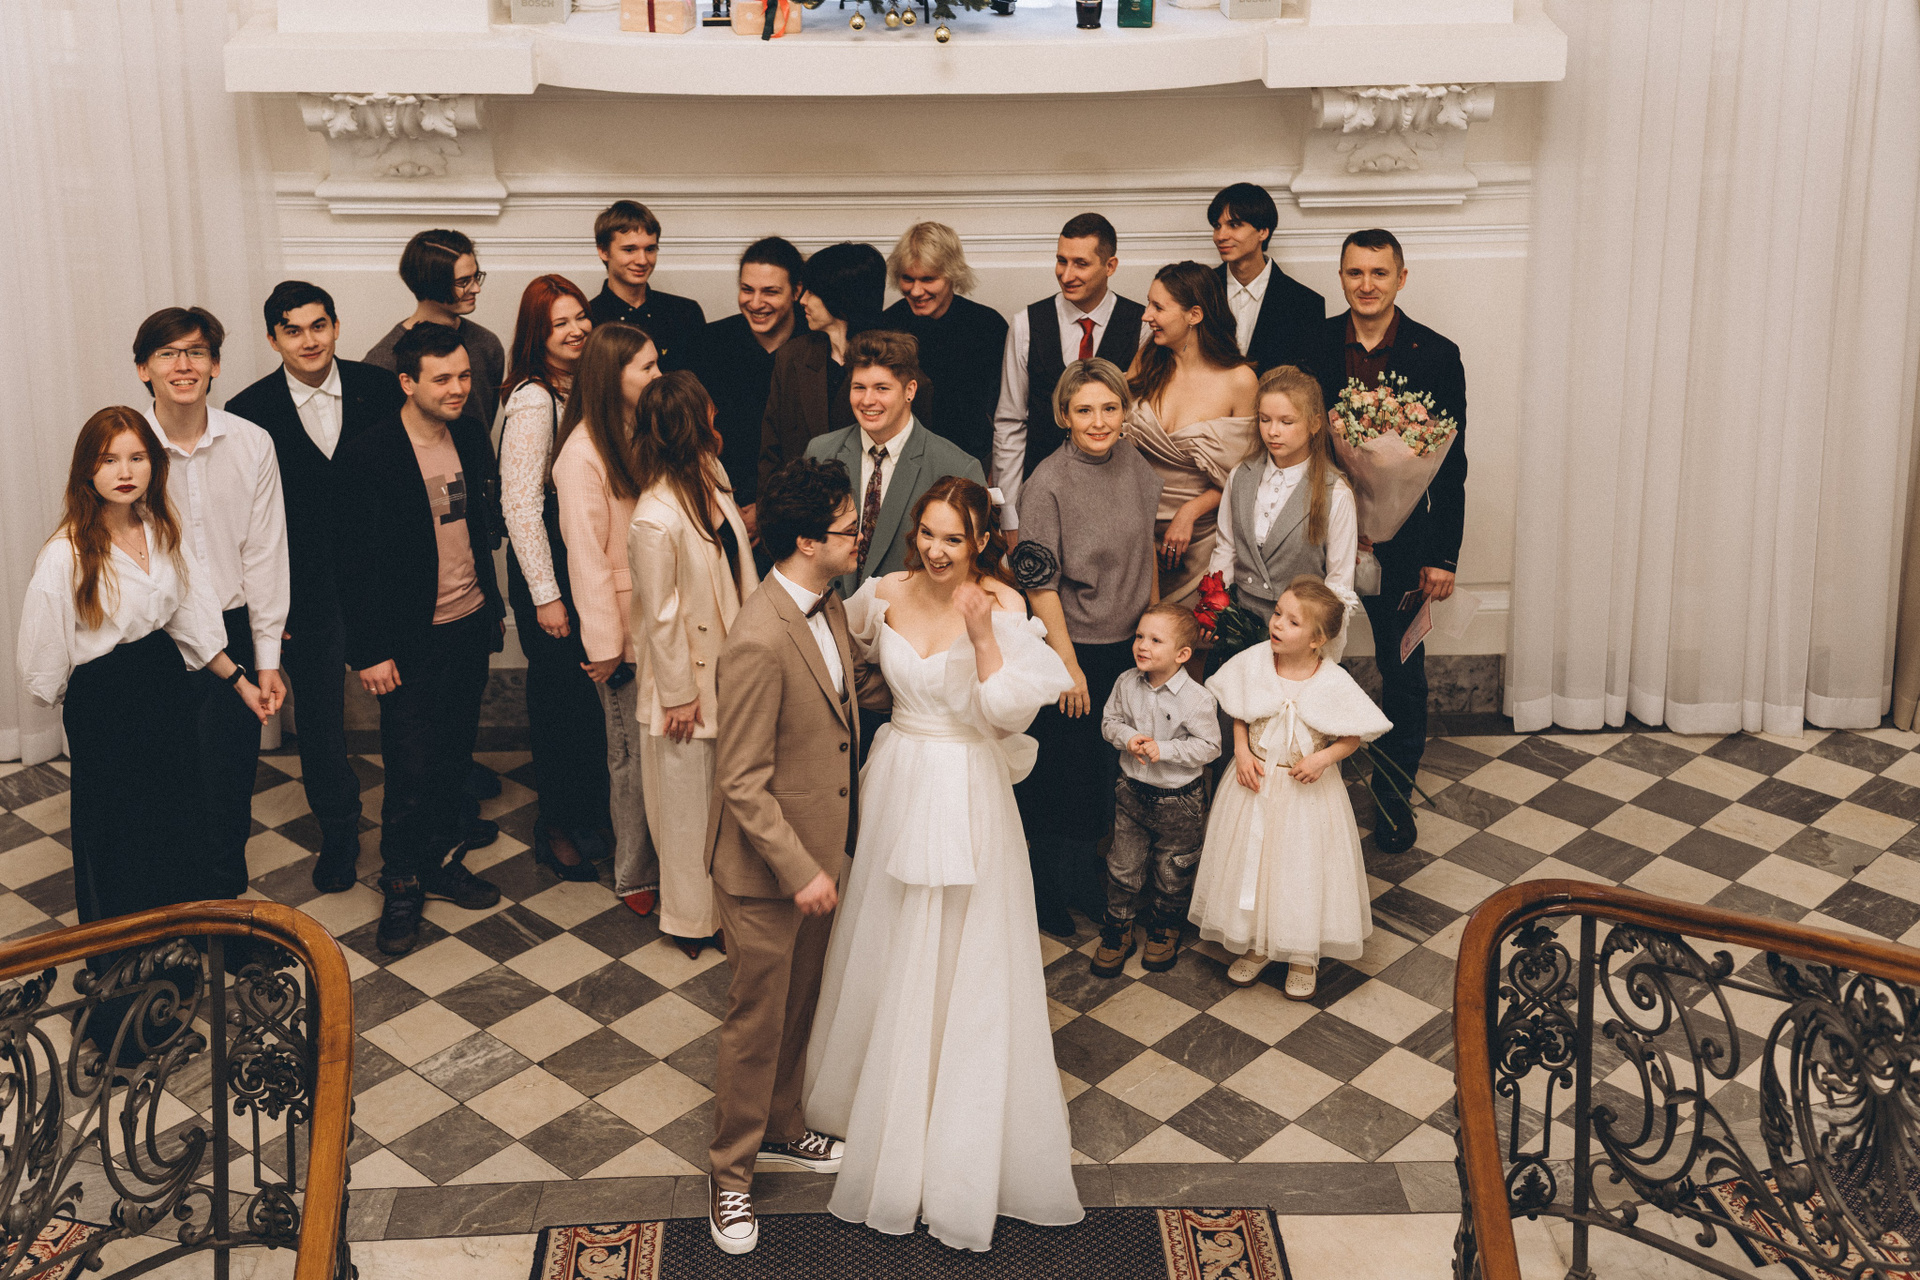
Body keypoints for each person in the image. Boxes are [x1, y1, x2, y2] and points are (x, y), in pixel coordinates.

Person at [805, 477, 1081, 1252]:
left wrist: (984, 635)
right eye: (927, 532)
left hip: (966, 784)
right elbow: (839, 650)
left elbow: (1008, 715)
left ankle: (953, 1112)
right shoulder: (884, 593)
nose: (935, 549)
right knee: (885, 933)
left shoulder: (1006, 605)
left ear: (981, 541)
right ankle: (870, 1094)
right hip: (897, 776)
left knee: (963, 946)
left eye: (953, 538)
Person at [18, 409, 267, 1056]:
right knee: (119, 850)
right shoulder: (65, 553)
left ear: (153, 466)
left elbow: (191, 618)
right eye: (109, 460)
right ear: (87, 470)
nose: (124, 472)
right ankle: (120, 1026)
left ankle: (167, 996)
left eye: (136, 458)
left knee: (172, 838)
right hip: (107, 705)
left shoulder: (159, 529)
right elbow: (43, 665)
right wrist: (88, 705)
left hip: (164, 692)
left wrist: (240, 680)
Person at [705, 458, 889, 1258]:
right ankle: (730, 1176)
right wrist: (799, 869)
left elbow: (851, 699)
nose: (860, 537)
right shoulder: (756, 639)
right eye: (850, 527)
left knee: (800, 1006)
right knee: (755, 1025)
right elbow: (741, 781)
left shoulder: (831, 604)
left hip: (823, 853)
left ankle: (783, 1127)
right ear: (808, 540)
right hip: (768, 874)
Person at [227, 282, 406, 893]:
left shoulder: (381, 388)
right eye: (293, 329)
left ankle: (420, 822)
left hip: (383, 583)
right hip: (304, 595)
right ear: (273, 338)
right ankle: (339, 832)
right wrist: (269, 612)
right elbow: (247, 522)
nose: (309, 340)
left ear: (336, 325)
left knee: (407, 711)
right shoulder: (247, 411)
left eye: (319, 325)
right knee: (322, 725)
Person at [336, 324, 507, 957]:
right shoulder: (370, 453)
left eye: (463, 376)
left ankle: (439, 861)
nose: (458, 388)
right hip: (407, 641)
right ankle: (401, 881)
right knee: (409, 767)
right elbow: (352, 564)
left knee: (454, 757)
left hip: (468, 624)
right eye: (443, 379)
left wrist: (490, 607)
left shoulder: (469, 435)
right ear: (408, 382)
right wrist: (370, 651)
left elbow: (477, 528)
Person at [1309, 228, 1467, 856]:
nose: (1366, 285)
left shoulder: (1438, 354)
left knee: (1403, 675)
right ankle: (1306, 785)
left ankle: (1394, 797)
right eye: (1355, 272)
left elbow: (1449, 465)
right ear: (1341, 277)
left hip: (1405, 545)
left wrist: (1442, 555)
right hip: (1321, 536)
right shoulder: (1313, 344)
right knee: (1306, 661)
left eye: (1379, 273)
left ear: (1401, 277)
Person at [136, 306, 289, 904]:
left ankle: (223, 917)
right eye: (168, 353)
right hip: (150, 639)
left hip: (231, 634)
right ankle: (168, 921)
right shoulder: (127, 450)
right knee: (161, 786)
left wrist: (267, 656)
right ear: (144, 369)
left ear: (215, 365)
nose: (184, 365)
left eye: (196, 352)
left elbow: (265, 554)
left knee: (228, 788)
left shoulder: (251, 442)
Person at [1010, 358, 1162, 936]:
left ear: (1124, 412)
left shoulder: (1135, 463)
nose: (1098, 422)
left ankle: (1083, 881)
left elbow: (1146, 549)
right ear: (1064, 416)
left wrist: (1154, 630)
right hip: (1071, 648)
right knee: (1062, 776)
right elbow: (1039, 586)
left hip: (1128, 647)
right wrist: (1069, 668)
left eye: (1109, 408)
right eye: (1084, 410)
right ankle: (1047, 891)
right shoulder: (1046, 484)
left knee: (1104, 773)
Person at [1192, 577, 1389, 996]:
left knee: (1300, 867)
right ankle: (1257, 943)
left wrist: (1322, 759)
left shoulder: (1332, 679)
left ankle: (1302, 951)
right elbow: (1239, 710)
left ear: (1317, 639)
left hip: (1307, 796)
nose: (1277, 624)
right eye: (1278, 613)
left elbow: (1351, 737)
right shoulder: (1255, 662)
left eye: (1292, 621)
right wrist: (1241, 752)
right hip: (1256, 784)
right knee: (1254, 862)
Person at [626, 372, 761, 960]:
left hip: (729, 668)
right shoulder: (653, 517)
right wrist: (680, 695)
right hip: (684, 687)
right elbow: (660, 617)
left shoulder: (711, 477)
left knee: (724, 802)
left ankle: (725, 906)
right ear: (693, 425)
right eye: (708, 410)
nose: (717, 416)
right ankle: (689, 919)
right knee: (684, 809)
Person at [500, 274, 609, 882]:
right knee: (559, 703)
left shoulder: (583, 385)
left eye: (579, 317)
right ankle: (557, 827)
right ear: (536, 335)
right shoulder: (534, 399)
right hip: (549, 571)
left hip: (580, 558)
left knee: (587, 702)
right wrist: (547, 596)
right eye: (558, 323)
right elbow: (520, 505)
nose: (575, 330)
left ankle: (589, 813)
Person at [554, 323, 664, 917]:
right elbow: (587, 559)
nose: (657, 376)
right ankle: (634, 874)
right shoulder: (580, 454)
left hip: (665, 618)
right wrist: (605, 645)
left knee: (668, 754)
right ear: (611, 377)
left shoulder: (644, 429)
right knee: (630, 758)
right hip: (622, 631)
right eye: (646, 367)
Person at [990, 212, 1148, 536]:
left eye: (1080, 264)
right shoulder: (1026, 324)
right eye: (1061, 261)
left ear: (1110, 266)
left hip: (1116, 499)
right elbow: (1010, 422)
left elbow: (1143, 424)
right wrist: (1009, 518)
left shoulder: (1142, 326)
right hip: (1040, 497)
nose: (1066, 274)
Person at [802, 329, 984, 599]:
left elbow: (979, 572)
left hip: (914, 619)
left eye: (882, 388)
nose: (867, 400)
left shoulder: (957, 468)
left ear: (910, 390)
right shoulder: (820, 452)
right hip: (829, 614)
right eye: (859, 387)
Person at [1094, 604, 1221, 977]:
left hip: (1179, 801)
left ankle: (1165, 927)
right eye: (1139, 637)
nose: (1142, 645)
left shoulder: (1197, 698)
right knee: (1123, 864)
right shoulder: (1126, 682)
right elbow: (1109, 721)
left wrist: (1164, 750)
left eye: (1155, 640)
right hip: (1131, 792)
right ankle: (1118, 928)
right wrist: (1128, 737)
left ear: (1182, 654)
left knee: (1173, 868)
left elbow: (1210, 747)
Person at [1124, 260, 1259, 610]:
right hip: (1136, 533)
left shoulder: (1240, 381)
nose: (1146, 315)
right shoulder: (1147, 360)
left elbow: (1246, 476)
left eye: (1158, 307)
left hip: (1200, 542)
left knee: (1189, 634)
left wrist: (1189, 512)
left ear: (1194, 315)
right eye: (1148, 304)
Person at [1206, 365, 1358, 629]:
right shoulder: (1241, 475)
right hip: (1237, 624)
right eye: (1265, 419)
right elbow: (1226, 549)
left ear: (1314, 424)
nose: (1272, 431)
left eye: (1286, 422)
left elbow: (1338, 584)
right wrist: (1215, 613)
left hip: (1299, 632)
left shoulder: (1336, 493)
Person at [687, 237, 807, 530]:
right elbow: (690, 434)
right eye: (747, 289)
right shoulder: (708, 343)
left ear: (797, 291)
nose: (755, 303)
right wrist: (725, 506)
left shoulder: (816, 344)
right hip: (717, 506)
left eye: (770, 292)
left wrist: (769, 508)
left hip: (798, 512)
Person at [757, 241, 888, 498]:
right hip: (796, 512)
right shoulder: (791, 358)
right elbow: (770, 454)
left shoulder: (894, 366)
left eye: (812, 292)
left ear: (840, 298)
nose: (802, 300)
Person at [879, 222, 1008, 471]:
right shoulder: (886, 327)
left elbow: (1004, 410)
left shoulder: (987, 326)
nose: (916, 291)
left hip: (970, 460)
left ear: (952, 274)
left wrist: (996, 467)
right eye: (908, 279)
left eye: (928, 279)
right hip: (900, 462)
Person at [363, 229, 507, 435]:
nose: (476, 289)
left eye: (476, 277)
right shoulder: (383, 361)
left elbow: (484, 422)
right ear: (433, 284)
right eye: (463, 282)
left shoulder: (487, 344)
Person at [1208, 183, 1327, 373]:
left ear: (1263, 231)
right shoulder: (1198, 290)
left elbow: (1306, 382)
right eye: (1217, 226)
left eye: (1234, 225)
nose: (1220, 236)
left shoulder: (1305, 304)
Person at [587, 200, 707, 372]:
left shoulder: (685, 313)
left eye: (650, 249)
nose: (642, 261)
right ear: (604, 251)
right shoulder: (588, 319)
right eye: (630, 250)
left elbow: (700, 382)